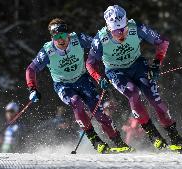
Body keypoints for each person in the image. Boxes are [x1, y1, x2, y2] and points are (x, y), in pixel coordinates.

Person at [86, 5, 182, 152]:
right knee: (133, 92)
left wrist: (156, 64)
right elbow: (90, 64)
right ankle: (152, 133)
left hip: (138, 66)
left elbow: (163, 42)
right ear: (109, 28)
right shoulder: (100, 39)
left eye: (123, 29)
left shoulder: (137, 28)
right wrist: (99, 78)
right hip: (116, 72)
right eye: (116, 31)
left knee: (155, 99)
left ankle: (175, 137)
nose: (121, 34)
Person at [25, 18, 133, 154]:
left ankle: (118, 142)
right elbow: (31, 69)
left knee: (99, 113)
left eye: (63, 35)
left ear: (68, 34)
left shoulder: (78, 39)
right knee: (76, 102)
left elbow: (99, 43)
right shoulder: (47, 51)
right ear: (52, 37)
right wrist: (32, 88)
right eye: (56, 37)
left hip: (83, 80)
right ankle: (96, 141)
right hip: (63, 85)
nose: (61, 40)